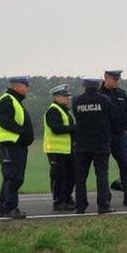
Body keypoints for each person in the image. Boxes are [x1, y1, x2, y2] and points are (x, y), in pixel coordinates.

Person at [0, 76, 35, 219]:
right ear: (18, 86)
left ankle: (5, 207)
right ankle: (10, 207)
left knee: (12, 177)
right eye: (25, 85)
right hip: (10, 144)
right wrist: (21, 132)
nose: (27, 89)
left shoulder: (14, 100)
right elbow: (4, 121)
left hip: (16, 145)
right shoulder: (7, 100)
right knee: (13, 177)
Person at [100, 69, 127, 207]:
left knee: (126, 165)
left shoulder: (121, 94)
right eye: (114, 79)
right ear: (106, 78)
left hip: (119, 135)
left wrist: (126, 130)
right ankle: (105, 198)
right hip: (104, 136)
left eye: (118, 79)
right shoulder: (99, 94)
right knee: (103, 168)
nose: (116, 81)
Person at [73, 77, 116, 214]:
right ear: (98, 86)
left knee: (80, 177)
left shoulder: (76, 101)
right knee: (102, 175)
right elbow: (112, 118)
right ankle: (103, 205)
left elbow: (77, 118)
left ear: (84, 86)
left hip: (81, 144)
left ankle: (80, 206)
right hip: (100, 143)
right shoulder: (104, 100)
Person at [44, 84, 76, 212]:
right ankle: (59, 201)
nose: (68, 98)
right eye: (65, 96)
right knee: (59, 177)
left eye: (68, 96)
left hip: (67, 149)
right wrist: (74, 128)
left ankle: (67, 198)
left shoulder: (65, 110)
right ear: (56, 97)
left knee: (70, 176)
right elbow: (56, 128)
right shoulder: (53, 110)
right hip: (56, 149)